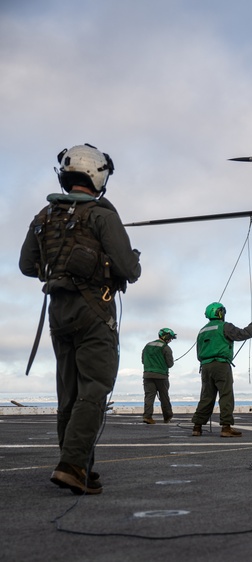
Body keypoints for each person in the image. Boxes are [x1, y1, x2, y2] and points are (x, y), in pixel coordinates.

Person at [19, 144, 141, 495]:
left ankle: (79, 466)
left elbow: (27, 266)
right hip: (94, 311)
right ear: (98, 174)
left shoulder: (44, 216)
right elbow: (127, 269)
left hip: (58, 313)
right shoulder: (102, 215)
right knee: (95, 388)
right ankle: (72, 465)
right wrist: (132, 260)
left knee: (68, 392)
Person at [191, 302, 252, 437]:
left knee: (206, 397)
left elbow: (199, 351)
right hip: (221, 365)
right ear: (220, 312)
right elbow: (244, 333)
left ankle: (197, 426)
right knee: (226, 395)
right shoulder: (225, 326)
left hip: (205, 367)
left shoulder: (202, 330)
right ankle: (226, 427)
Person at [141, 328, 177, 424]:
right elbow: (170, 364)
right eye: (170, 338)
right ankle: (167, 416)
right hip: (161, 376)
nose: (170, 340)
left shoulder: (147, 345)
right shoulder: (165, 347)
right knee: (164, 396)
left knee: (149, 396)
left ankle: (147, 416)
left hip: (147, 375)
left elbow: (143, 360)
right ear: (167, 337)